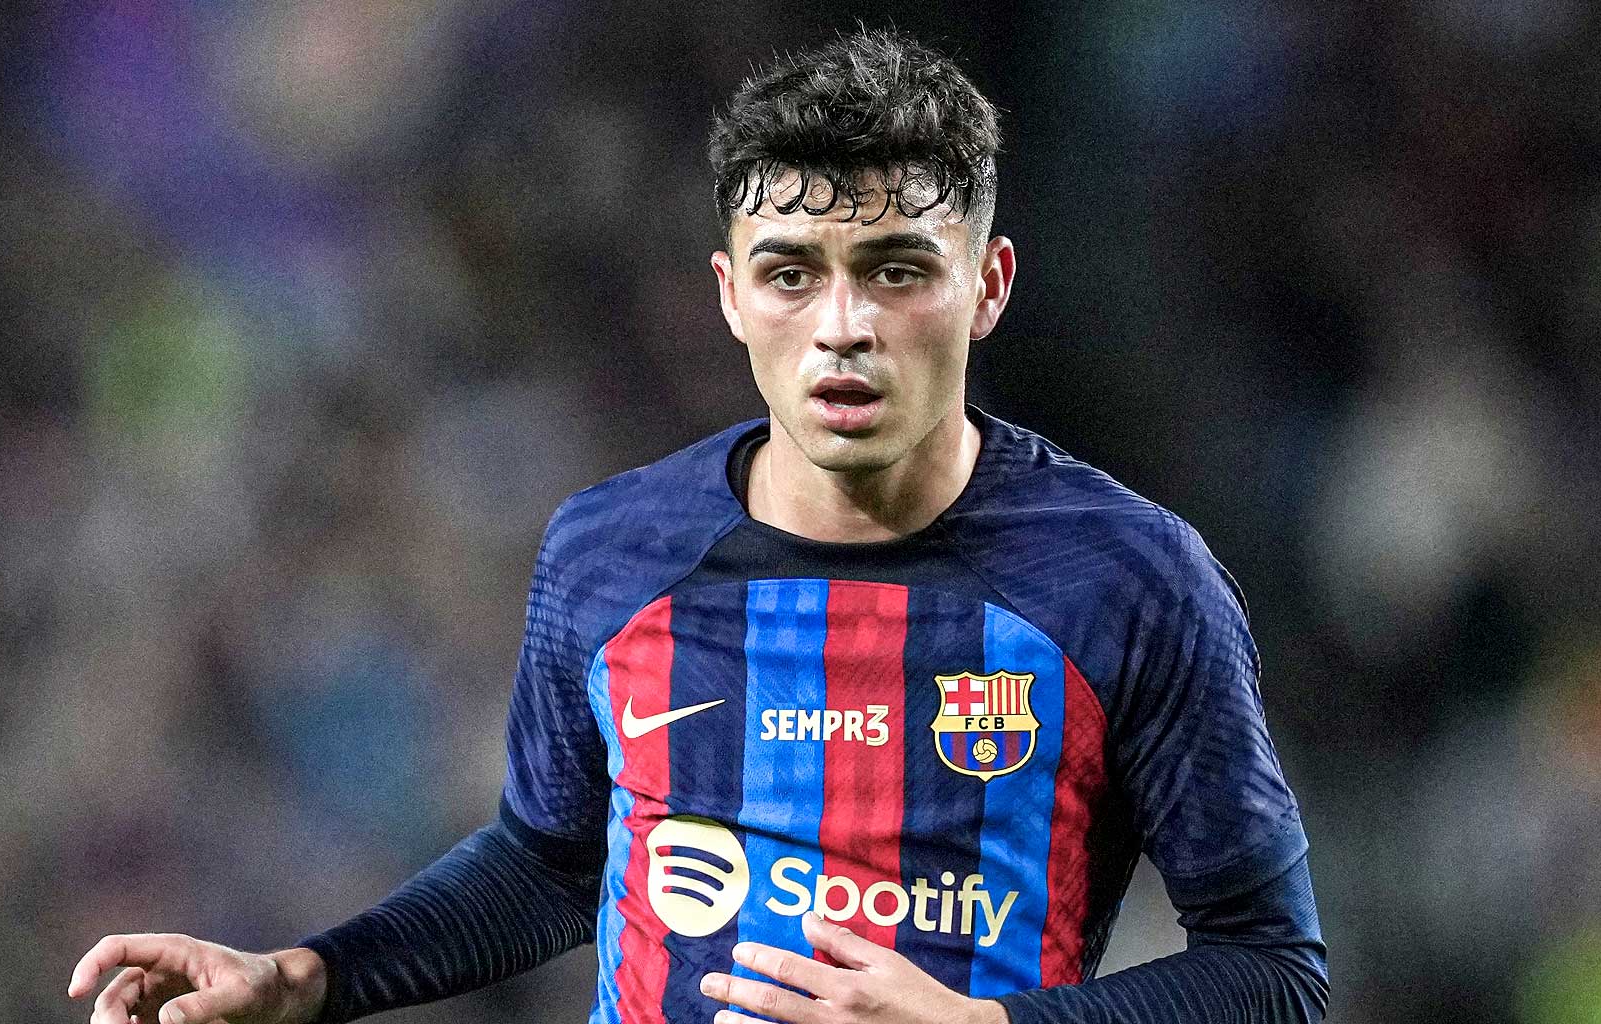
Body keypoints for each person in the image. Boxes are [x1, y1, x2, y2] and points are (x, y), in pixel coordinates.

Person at [69, 27, 1326, 1024]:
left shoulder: (1128, 578)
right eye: (791, 273)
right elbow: (550, 862)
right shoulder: (611, 553)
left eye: (896, 269)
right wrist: (310, 975)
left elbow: (1270, 967)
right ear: (731, 295)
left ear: (986, 284)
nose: (842, 326)